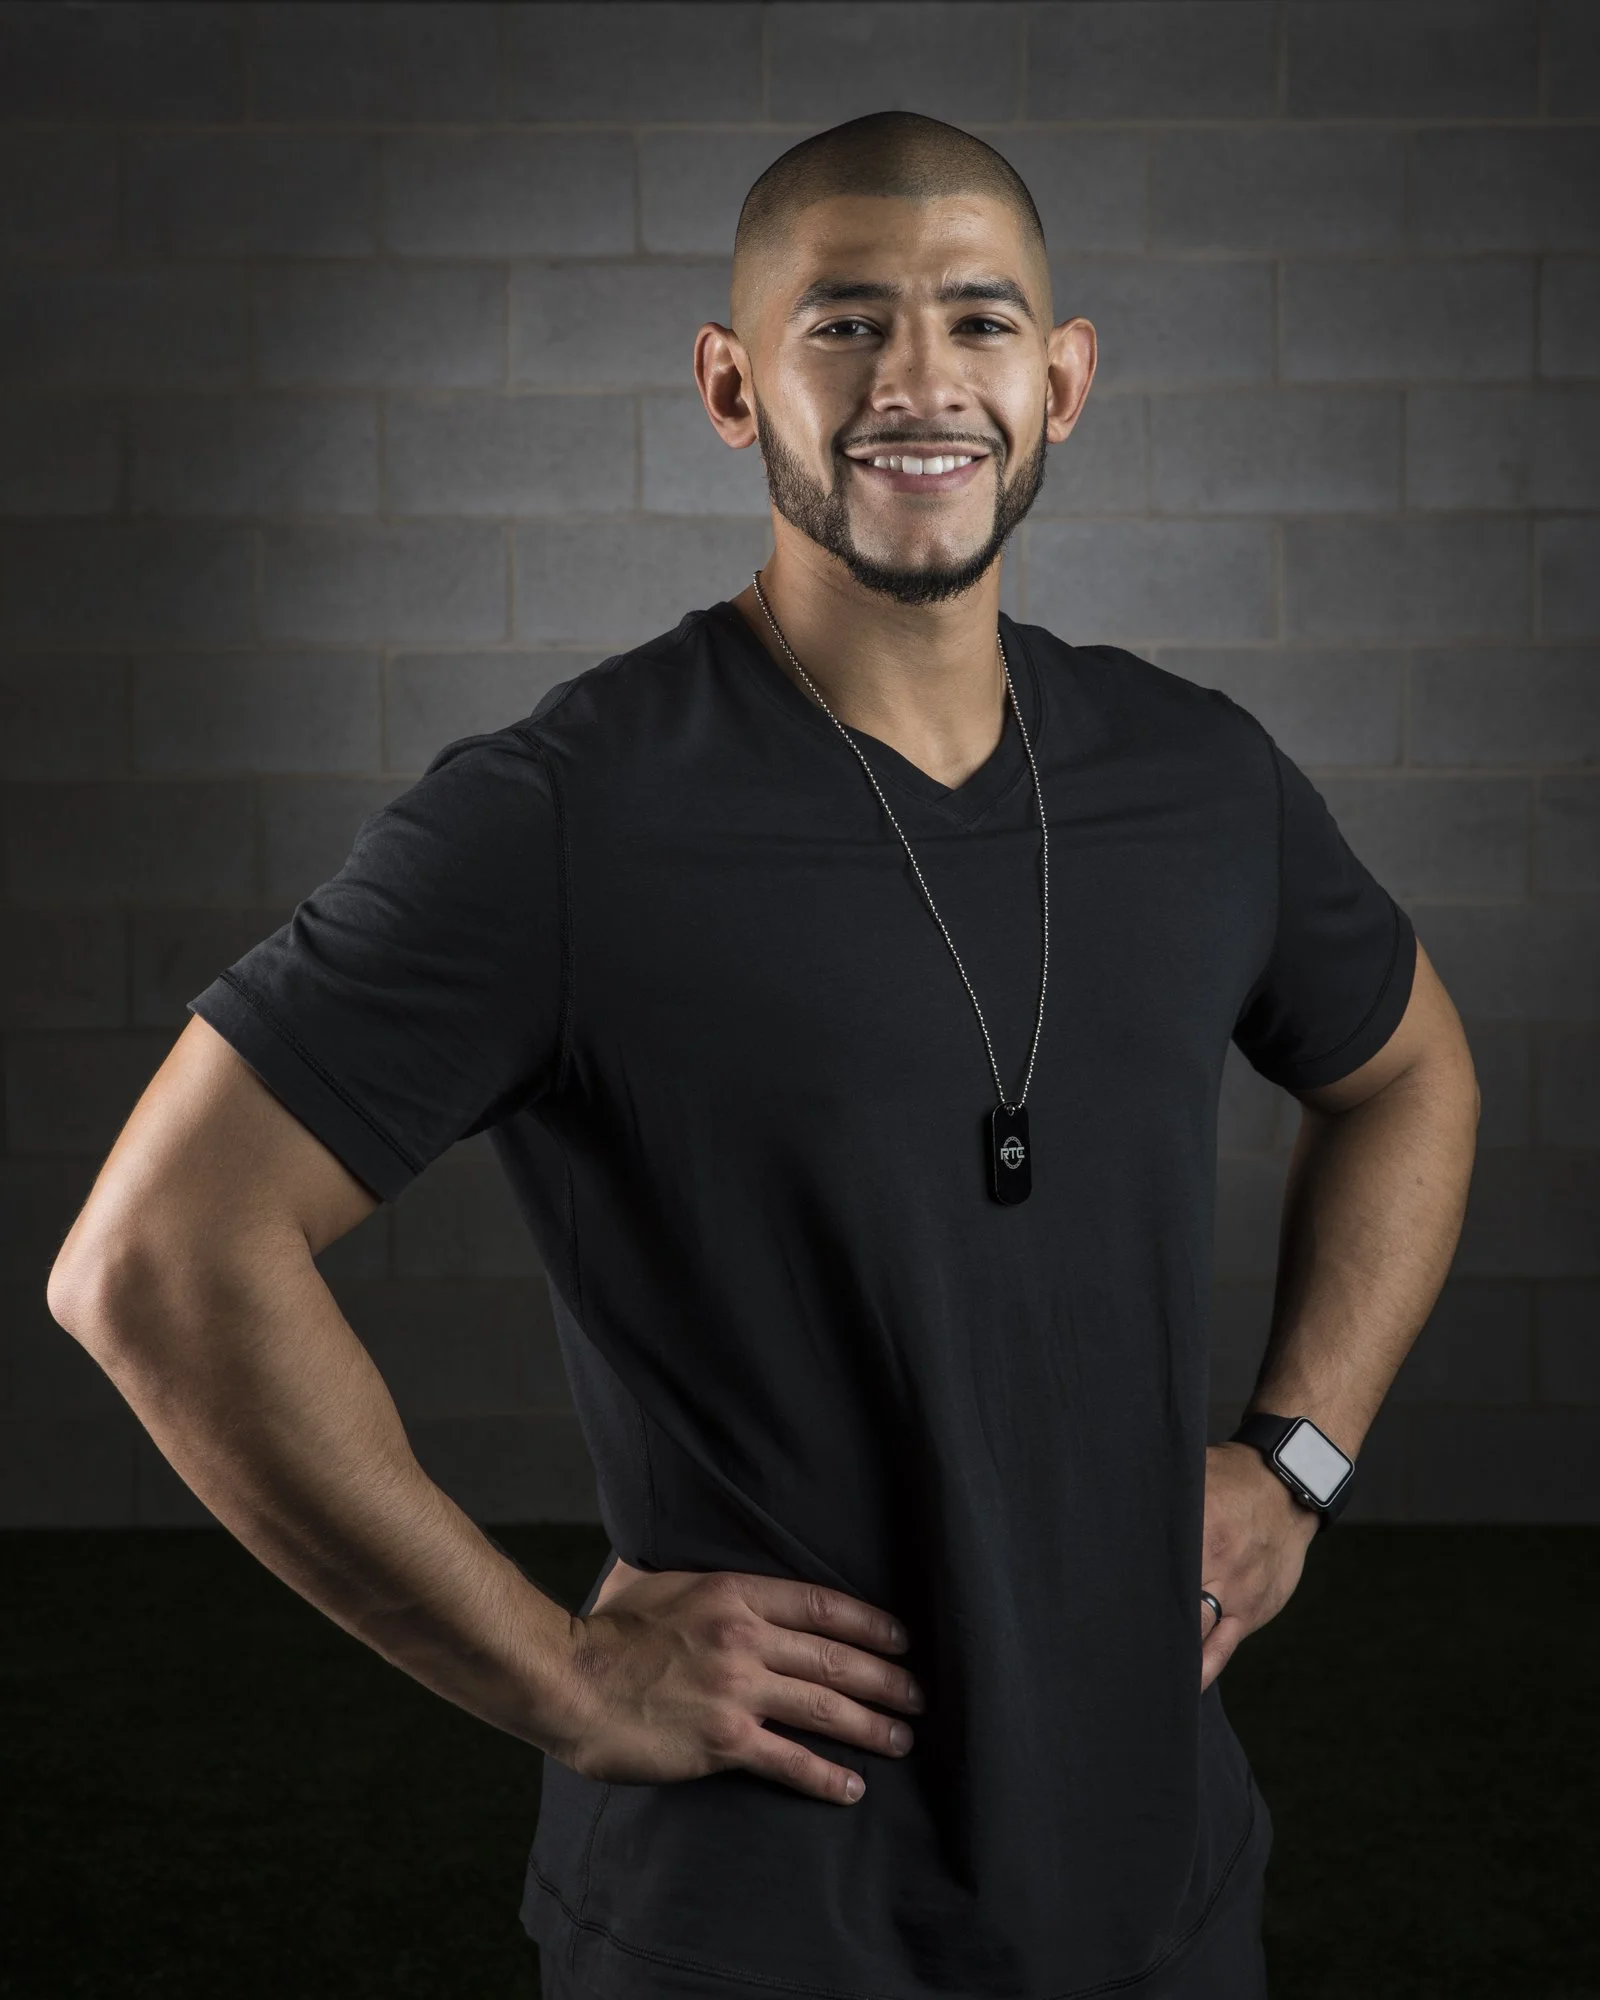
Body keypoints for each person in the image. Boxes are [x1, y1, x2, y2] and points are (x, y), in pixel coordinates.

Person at [47, 112, 1479, 2000]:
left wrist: (1295, 1460)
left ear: (1066, 382)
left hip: (1164, 1899)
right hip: (754, 1922)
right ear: (732, 386)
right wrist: (561, 1673)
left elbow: (1408, 1076)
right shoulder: (564, 816)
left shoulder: (1202, 777)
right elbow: (151, 1262)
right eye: (844, 324)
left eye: (979, 324)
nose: (919, 382)